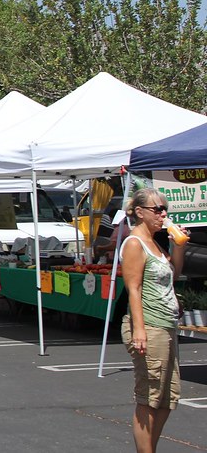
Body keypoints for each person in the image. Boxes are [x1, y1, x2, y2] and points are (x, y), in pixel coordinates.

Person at [120, 188, 186, 453]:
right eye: (157, 209)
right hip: (150, 326)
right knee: (148, 398)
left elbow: (174, 273)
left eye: (164, 209)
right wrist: (139, 330)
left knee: (167, 398)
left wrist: (180, 246)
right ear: (140, 212)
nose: (163, 214)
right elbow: (133, 288)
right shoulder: (135, 243)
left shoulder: (155, 243)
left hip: (167, 326)